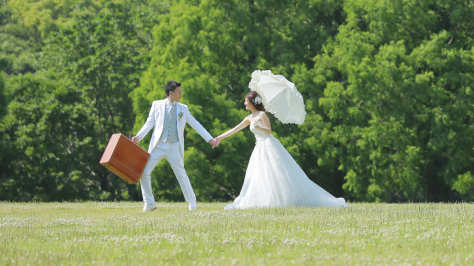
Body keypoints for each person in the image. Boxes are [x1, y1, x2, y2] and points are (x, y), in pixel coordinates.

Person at [213, 91, 347, 209]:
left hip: (268, 145)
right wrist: (218, 137)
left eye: (246, 101)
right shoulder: (249, 118)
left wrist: (258, 127)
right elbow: (234, 129)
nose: (244, 103)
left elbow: (269, 131)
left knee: (276, 171)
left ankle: (282, 199)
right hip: (259, 147)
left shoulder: (261, 115)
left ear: (253, 102)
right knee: (260, 174)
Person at [131, 81, 217, 212]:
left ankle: (192, 203)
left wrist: (210, 139)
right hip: (158, 146)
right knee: (144, 172)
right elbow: (149, 123)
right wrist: (139, 136)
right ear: (170, 93)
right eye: (179, 92)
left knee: (181, 174)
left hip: (175, 146)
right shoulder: (156, 105)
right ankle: (149, 203)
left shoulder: (183, 108)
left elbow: (195, 123)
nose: (181, 94)